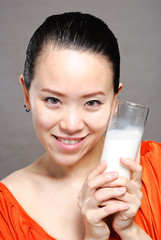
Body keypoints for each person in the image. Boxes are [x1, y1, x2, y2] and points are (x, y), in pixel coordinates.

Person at [0, 12, 160, 240]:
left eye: (92, 102)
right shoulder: (5, 212)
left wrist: (130, 231)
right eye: (53, 100)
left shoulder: (157, 168)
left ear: (115, 101)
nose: (71, 125)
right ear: (26, 93)